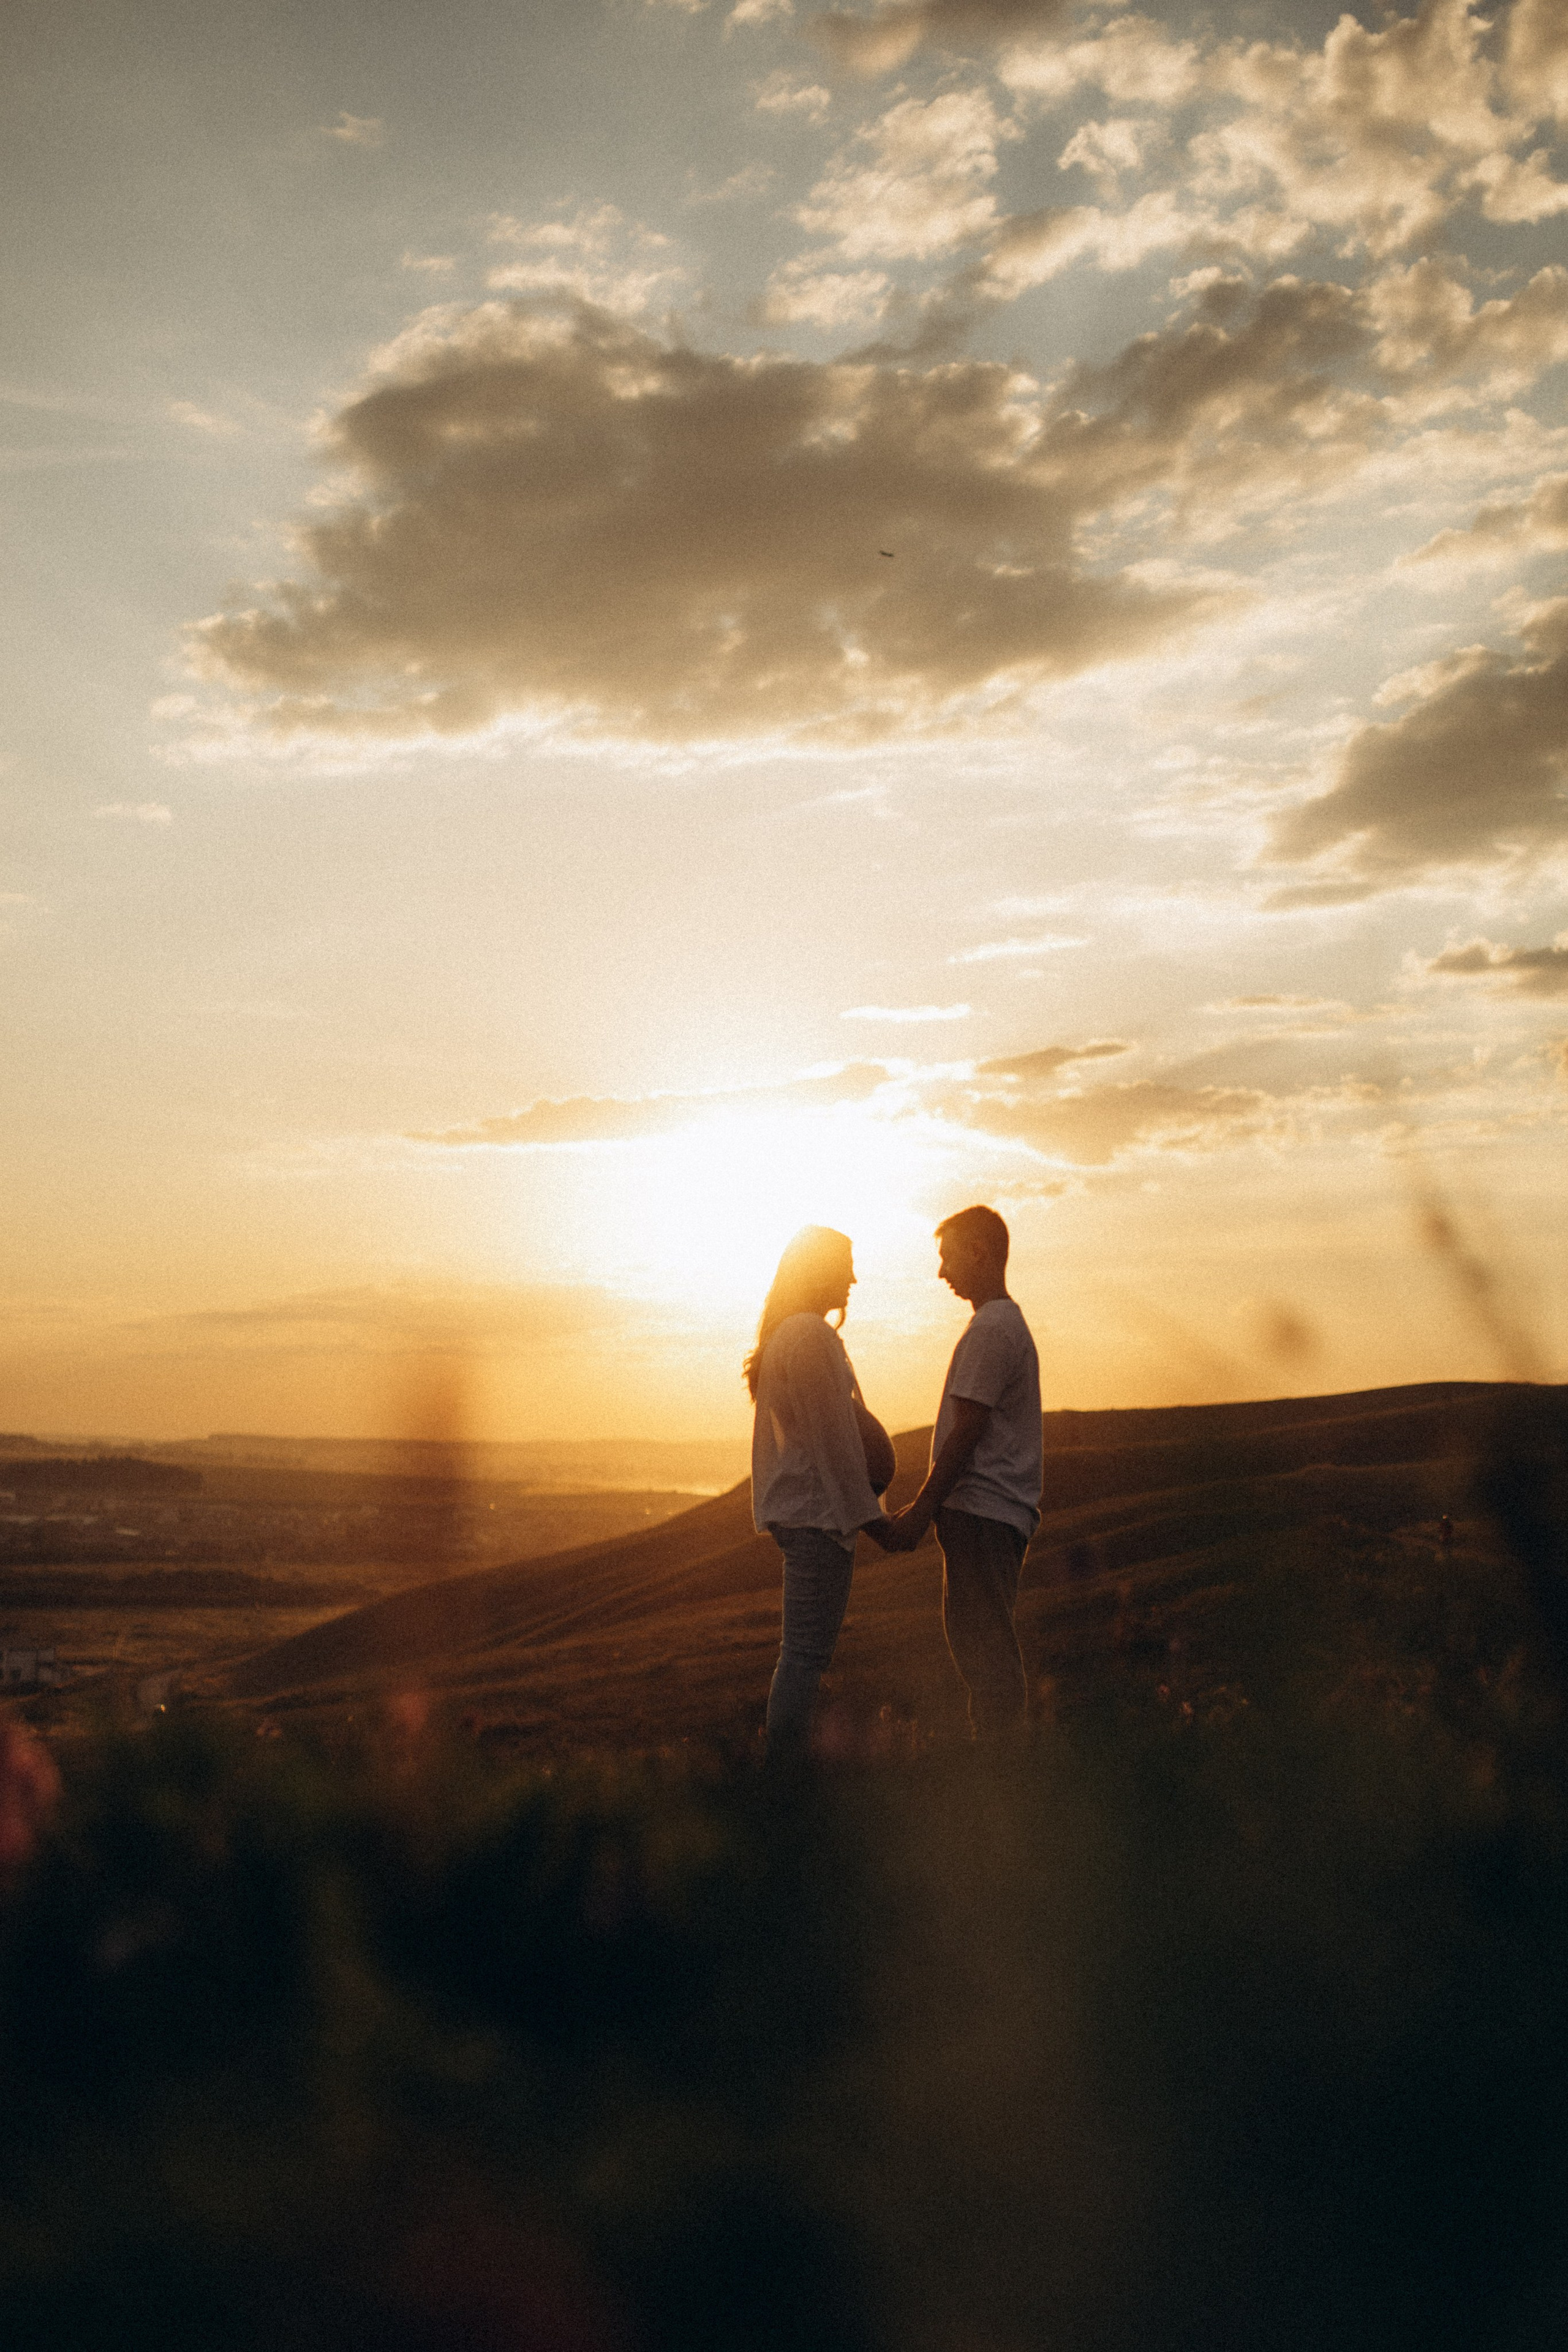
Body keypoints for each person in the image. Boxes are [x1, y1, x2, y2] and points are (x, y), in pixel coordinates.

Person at [883, 1206, 1041, 1740]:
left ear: (978, 1251)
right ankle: (998, 1759)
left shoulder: (993, 1329)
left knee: (984, 1647)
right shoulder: (1000, 1326)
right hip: (987, 1516)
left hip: (982, 1514)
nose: (942, 1272)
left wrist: (921, 1513)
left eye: (948, 1256)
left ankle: (1000, 1769)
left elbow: (966, 1431)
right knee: (981, 1642)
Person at [747, 1225, 897, 1762]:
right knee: (804, 1656)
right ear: (817, 1270)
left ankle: (787, 1768)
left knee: (805, 1654)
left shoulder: (798, 1332)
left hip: (818, 1515)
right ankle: (785, 1773)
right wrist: (880, 1525)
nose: (855, 1278)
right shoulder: (808, 1334)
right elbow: (833, 1440)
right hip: (818, 1517)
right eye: (845, 1265)